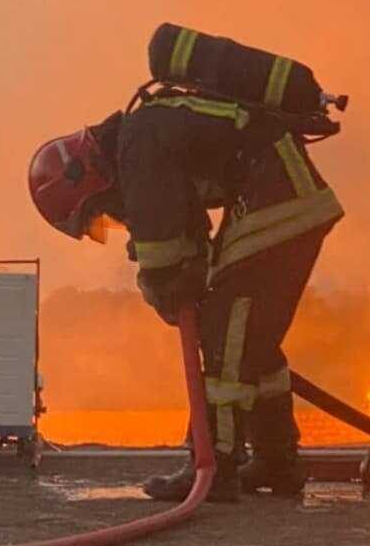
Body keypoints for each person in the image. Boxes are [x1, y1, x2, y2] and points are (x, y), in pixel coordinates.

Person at [27, 32, 343, 502]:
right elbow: (185, 222)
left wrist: (164, 285)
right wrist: (187, 274)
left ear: (87, 177)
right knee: (250, 340)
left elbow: (163, 241)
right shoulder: (149, 135)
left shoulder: (136, 144)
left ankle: (213, 462)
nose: (110, 220)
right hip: (284, 200)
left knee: (223, 338)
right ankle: (278, 461)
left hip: (276, 202)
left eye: (97, 214)